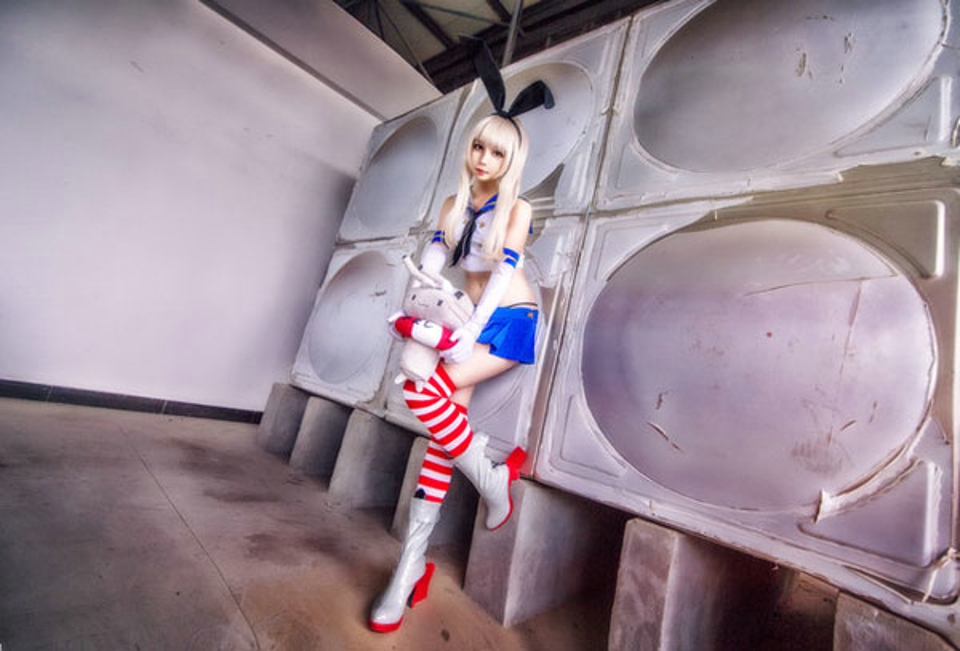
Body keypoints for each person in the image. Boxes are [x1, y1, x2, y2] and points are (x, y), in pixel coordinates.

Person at [369, 42, 553, 633]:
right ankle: (410, 568)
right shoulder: (453, 204)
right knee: (440, 439)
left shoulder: (517, 209)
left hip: (507, 318)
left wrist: (467, 330)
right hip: (465, 317)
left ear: (512, 159)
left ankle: (495, 484)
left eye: (498, 152)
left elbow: (500, 276)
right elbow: (434, 259)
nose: (484, 159)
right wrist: (415, 295)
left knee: (426, 391)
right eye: (479, 147)